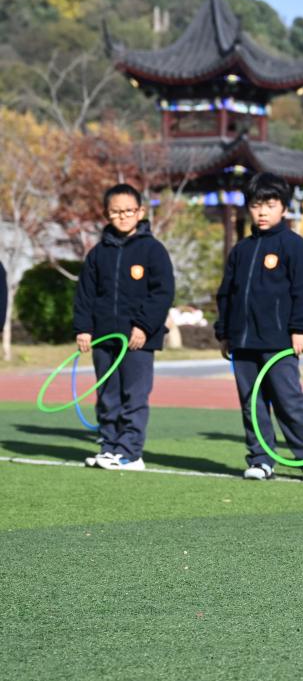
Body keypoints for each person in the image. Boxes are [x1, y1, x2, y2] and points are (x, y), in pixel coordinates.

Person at [214, 172, 303, 482]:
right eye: (255, 205)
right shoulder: (241, 250)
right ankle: (261, 459)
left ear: (284, 208)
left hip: (280, 341)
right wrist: (223, 331)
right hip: (243, 341)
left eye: (270, 204)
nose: (262, 211)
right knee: (251, 403)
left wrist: (301, 329)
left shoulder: (295, 246)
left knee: (288, 400)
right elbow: (226, 293)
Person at [73, 184, 175, 471]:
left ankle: (130, 451)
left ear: (140, 212)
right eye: (116, 212)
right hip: (104, 337)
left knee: (134, 394)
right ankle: (109, 446)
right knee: (107, 395)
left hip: (138, 340)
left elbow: (162, 293)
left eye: (129, 211)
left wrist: (143, 326)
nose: (123, 216)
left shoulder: (153, 250)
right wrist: (83, 328)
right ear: (107, 214)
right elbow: (85, 295)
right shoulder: (97, 254)